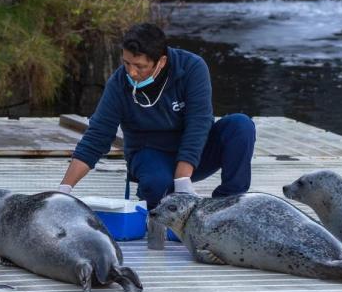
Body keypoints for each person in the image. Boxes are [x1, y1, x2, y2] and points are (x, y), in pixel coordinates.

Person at [59, 22, 257, 231]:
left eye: (140, 67)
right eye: (126, 63)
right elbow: (96, 138)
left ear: (161, 61)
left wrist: (183, 178)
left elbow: (199, 123)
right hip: (150, 155)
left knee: (241, 126)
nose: (132, 73)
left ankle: (228, 205)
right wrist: (63, 191)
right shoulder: (119, 84)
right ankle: (156, 200)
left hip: (194, 155)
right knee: (156, 184)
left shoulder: (191, 68)